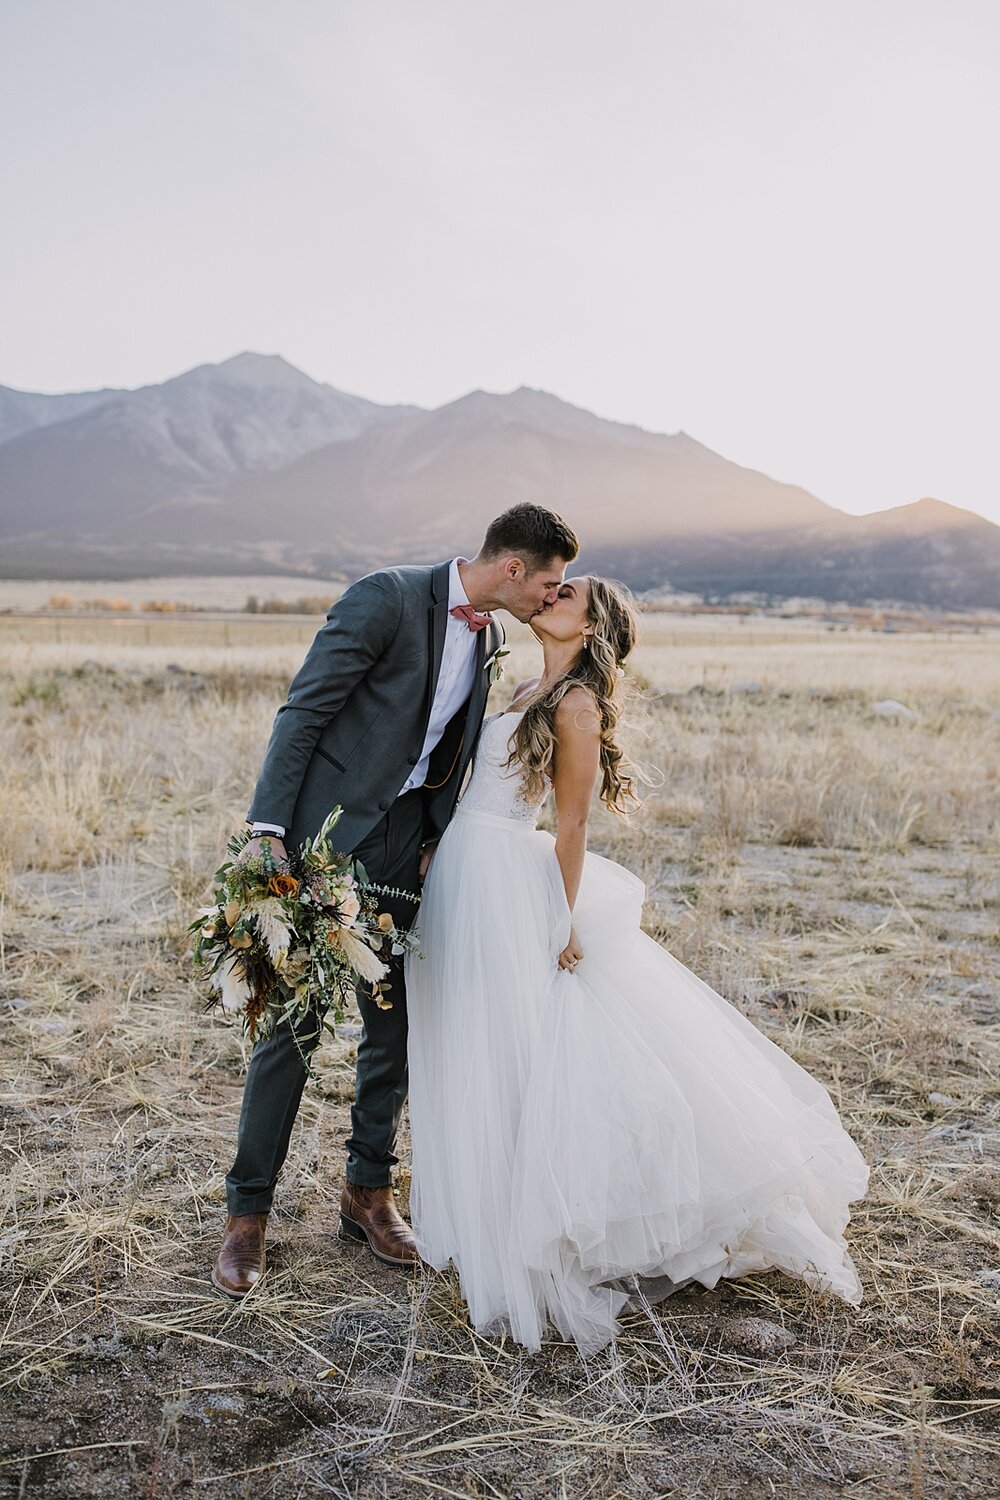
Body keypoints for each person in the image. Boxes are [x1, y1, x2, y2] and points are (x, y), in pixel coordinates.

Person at [405, 575, 870, 1355]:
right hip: (464, 873)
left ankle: (539, 1225)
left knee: (525, 1045)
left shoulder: (577, 705)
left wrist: (559, 917)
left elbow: (573, 822)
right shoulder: (523, 682)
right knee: (477, 1042)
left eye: (571, 592)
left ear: (591, 627)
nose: (552, 592)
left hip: (509, 889)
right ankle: (483, 1207)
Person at [211, 503, 581, 1297]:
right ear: (512, 569)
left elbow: (446, 753)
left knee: (396, 1024)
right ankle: (248, 1218)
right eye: (549, 583)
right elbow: (305, 710)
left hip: (407, 853)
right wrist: (269, 828)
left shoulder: (489, 638)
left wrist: (434, 836)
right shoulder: (385, 598)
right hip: (321, 842)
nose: (553, 598)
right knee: (295, 1024)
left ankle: (367, 1194)